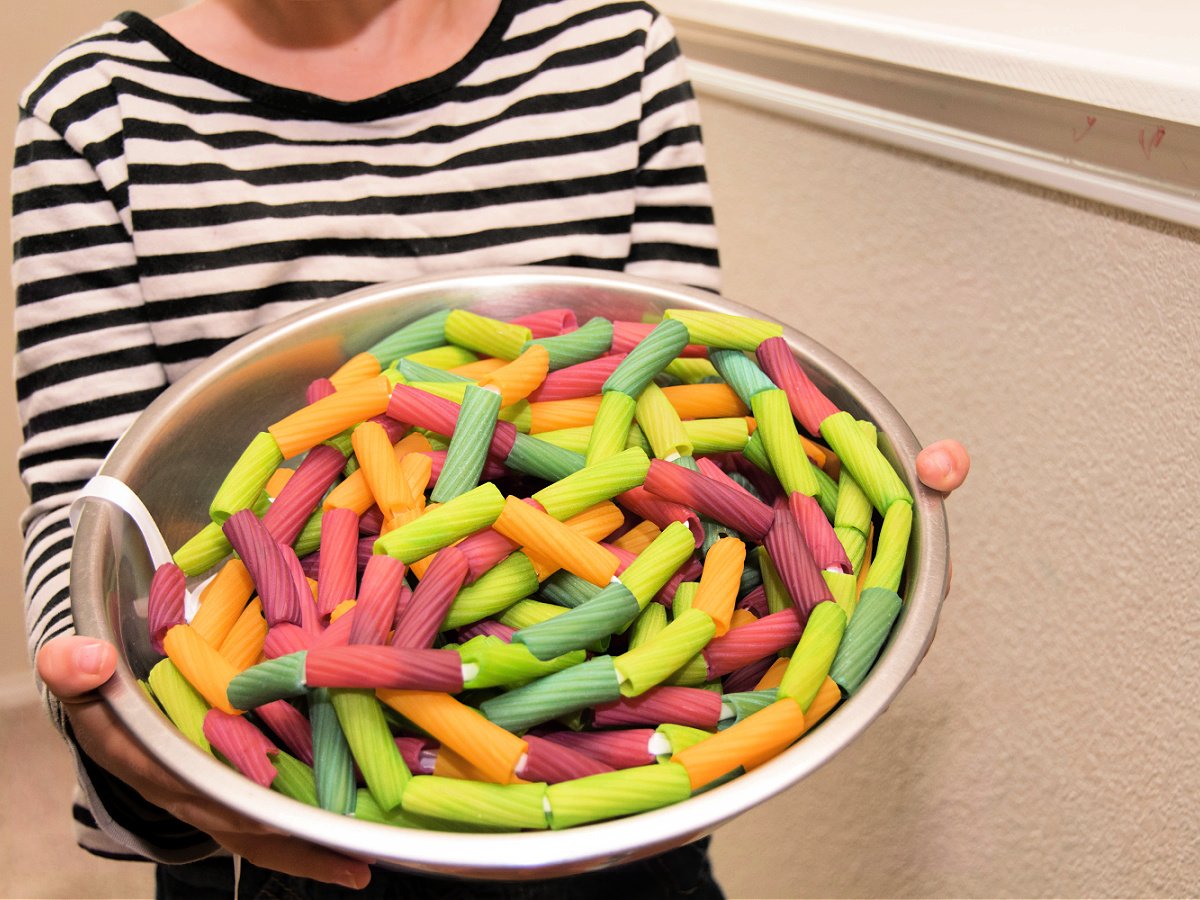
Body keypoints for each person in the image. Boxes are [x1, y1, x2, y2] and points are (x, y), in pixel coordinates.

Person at [14, 0, 971, 896]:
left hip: (618, 818)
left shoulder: (610, 47)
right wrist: (124, 741)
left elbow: (683, 376)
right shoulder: (97, 115)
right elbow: (96, 513)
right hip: (281, 823)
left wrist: (865, 538)